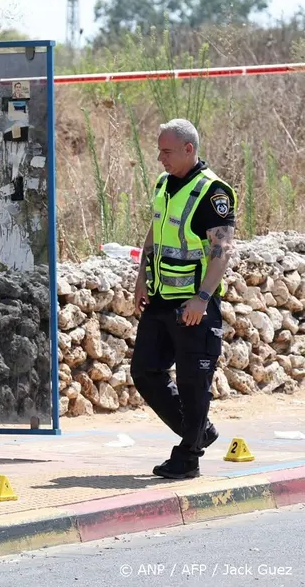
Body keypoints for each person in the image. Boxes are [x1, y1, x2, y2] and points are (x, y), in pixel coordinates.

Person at [132, 118, 236, 479]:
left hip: (193, 305)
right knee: (144, 371)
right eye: (159, 150)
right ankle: (199, 431)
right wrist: (141, 277)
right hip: (160, 298)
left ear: (189, 149)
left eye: (166, 151)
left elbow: (222, 250)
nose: (160, 158)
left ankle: (188, 456)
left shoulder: (213, 192)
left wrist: (202, 298)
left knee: (194, 384)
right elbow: (155, 231)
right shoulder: (164, 184)